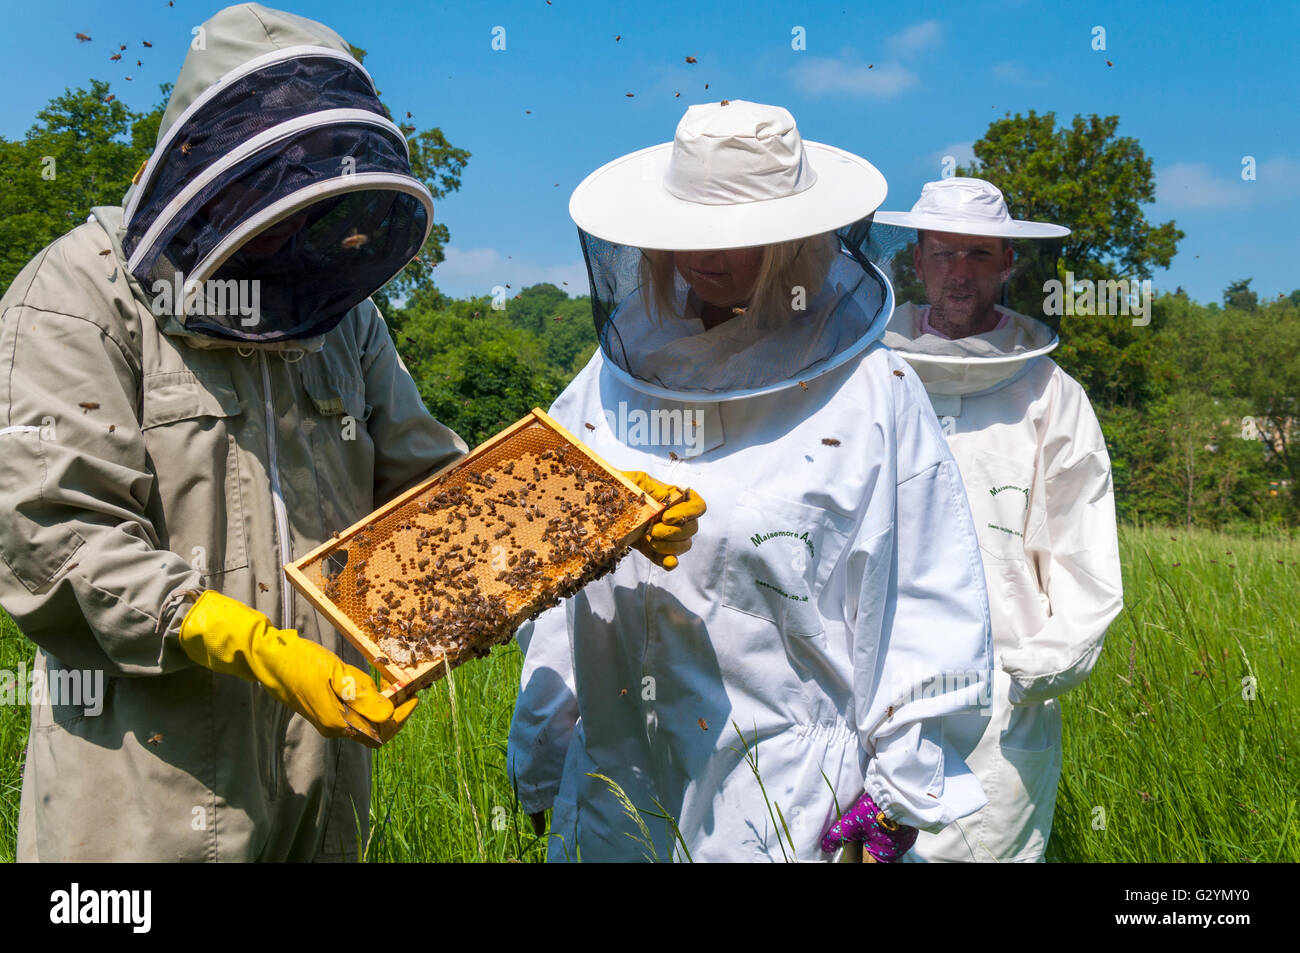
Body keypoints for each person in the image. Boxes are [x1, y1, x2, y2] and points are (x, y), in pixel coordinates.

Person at [0, 3, 697, 863]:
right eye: (277, 186)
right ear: (207, 165)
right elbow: (56, 540)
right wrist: (244, 638)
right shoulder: (76, 300)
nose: (297, 225)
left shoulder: (338, 317)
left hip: (327, 776)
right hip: (149, 783)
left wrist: (599, 511)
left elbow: (430, 495)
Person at [507, 100, 994, 862]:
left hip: (783, 804)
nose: (708, 256)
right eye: (690, 231)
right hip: (613, 794)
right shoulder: (603, 385)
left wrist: (898, 797)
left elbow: (922, 599)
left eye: (736, 236)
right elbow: (560, 598)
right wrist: (540, 755)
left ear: (799, 240)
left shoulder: (872, 394)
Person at [871, 176, 1124, 862]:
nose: (960, 271)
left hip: (1000, 712)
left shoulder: (1052, 396)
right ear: (916, 259)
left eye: (979, 254)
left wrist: (1028, 673)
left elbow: (1083, 552)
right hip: (870, 691)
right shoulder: (868, 376)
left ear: (1009, 263)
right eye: (944, 252)